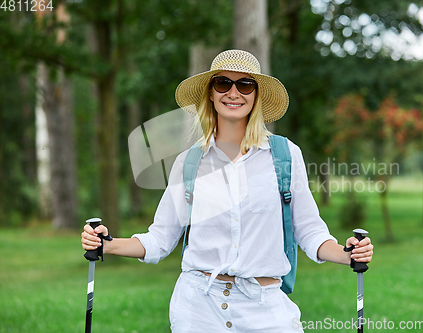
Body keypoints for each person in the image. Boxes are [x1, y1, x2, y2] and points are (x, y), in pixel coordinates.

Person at [81, 49, 374, 332]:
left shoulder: (285, 156)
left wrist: (349, 254)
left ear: (256, 95)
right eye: (223, 83)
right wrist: (106, 244)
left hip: (265, 307)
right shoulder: (189, 162)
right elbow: (160, 237)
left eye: (245, 84)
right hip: (199, 308)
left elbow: (309, 232)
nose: (233, 93)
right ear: (211, 92)